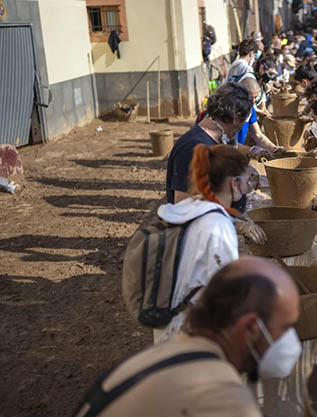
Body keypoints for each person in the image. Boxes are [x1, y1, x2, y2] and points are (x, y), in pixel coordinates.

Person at [73, 257, 301, 417]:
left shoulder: (162, 354)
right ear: (251, 327)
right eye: (286, 327)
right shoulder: (221, 398)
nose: (291, 339)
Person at [155, 144, 264, 343]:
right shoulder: (217, 226)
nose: (248, 187)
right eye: (246, 180)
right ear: (233, 183)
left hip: (167, 322)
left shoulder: (185, 208)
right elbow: (223, 294)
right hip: (193, 331)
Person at [166, 83, 266, 243]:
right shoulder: (192, 150)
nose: (241, 128)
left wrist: (252, 152)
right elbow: (184, 206)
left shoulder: (213, 138)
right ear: (235, 118)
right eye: (243, 122)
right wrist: (237, 225)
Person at [236, 77, 284, 154]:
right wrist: (253, 151)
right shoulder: (230, 111)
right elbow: (228, 143)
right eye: (250, 97)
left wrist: (274, 148)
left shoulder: (250, 110)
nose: (253, 101)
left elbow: (258, 135)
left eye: (255, 97)